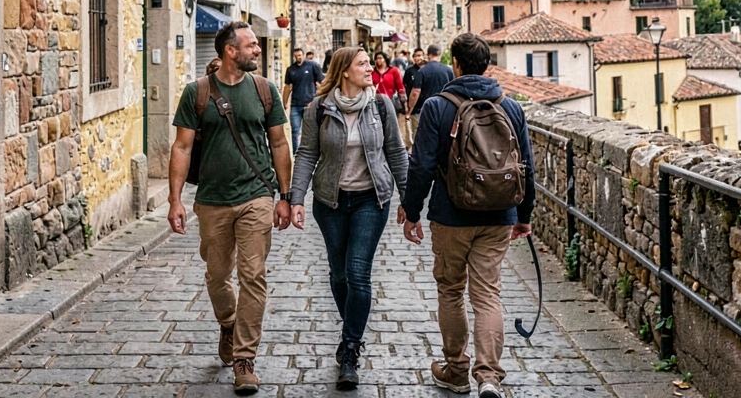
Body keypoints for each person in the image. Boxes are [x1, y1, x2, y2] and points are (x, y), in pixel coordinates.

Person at [401, 33, 535, 398]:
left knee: (451, 290)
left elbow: (422, 165)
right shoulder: (511, 106)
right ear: (486, 64)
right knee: (488, 294)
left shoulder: (437, 106)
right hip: (499, 214)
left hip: (450, 214)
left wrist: (411, 211)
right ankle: (489, 376)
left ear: (455, 64)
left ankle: (456, 370)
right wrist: (523, 214)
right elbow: (526, 166)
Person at [169, 21, 294, 395]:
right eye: (252, 45)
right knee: (217, 275)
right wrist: (175, 199)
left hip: (257, 195)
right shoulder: (198, 93)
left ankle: (244, 358)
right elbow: (182, 147)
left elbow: (279, 144)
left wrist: (285, 196)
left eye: (257, 45)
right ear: (230, 51)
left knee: (253, 276)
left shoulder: (265, 90)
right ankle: (228, 322)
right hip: (211, 200)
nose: (258, 50)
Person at [289, 47, 408, 390]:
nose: (370, 68)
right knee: (339, 274)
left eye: (369, 63)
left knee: (357, 272)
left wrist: (409, 201)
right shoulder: (319, 108)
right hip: (330, 202)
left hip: (372, 200)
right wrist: (296, 198)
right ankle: (352, 328)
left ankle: (350, 349)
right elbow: (307, 153)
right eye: (362, 64)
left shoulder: (381, 105)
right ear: (344, 71)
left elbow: (396, 154)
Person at [406, 44, 453, 139]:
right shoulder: (448, 70)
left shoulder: (422, 71)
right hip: (444, 111)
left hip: (423, 111)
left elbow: (415, 93)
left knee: (422, 138)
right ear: (440, 54)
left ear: (428, 55)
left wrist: (409, 111)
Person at [283, 48, 324, 152]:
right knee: (295, 131)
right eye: (296, 56)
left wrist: (317, 99)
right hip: (295, 104)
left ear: (303, 55)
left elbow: (322, 83)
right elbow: (287, 87)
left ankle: (312, 151)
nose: (298, 58)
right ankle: (296, 153)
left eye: (300, 55)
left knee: (311, 129)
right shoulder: (291, 70)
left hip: (309, 103)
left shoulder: (312, 66)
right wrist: (284, 102)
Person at [400, 49, 425, 148]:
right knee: (415, 131)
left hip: (425, 104)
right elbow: (406, 86)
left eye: (420, 55)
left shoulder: (426, 70)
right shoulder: (409, 71)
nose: (418, 58)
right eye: (416, 56)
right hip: (415, 107)